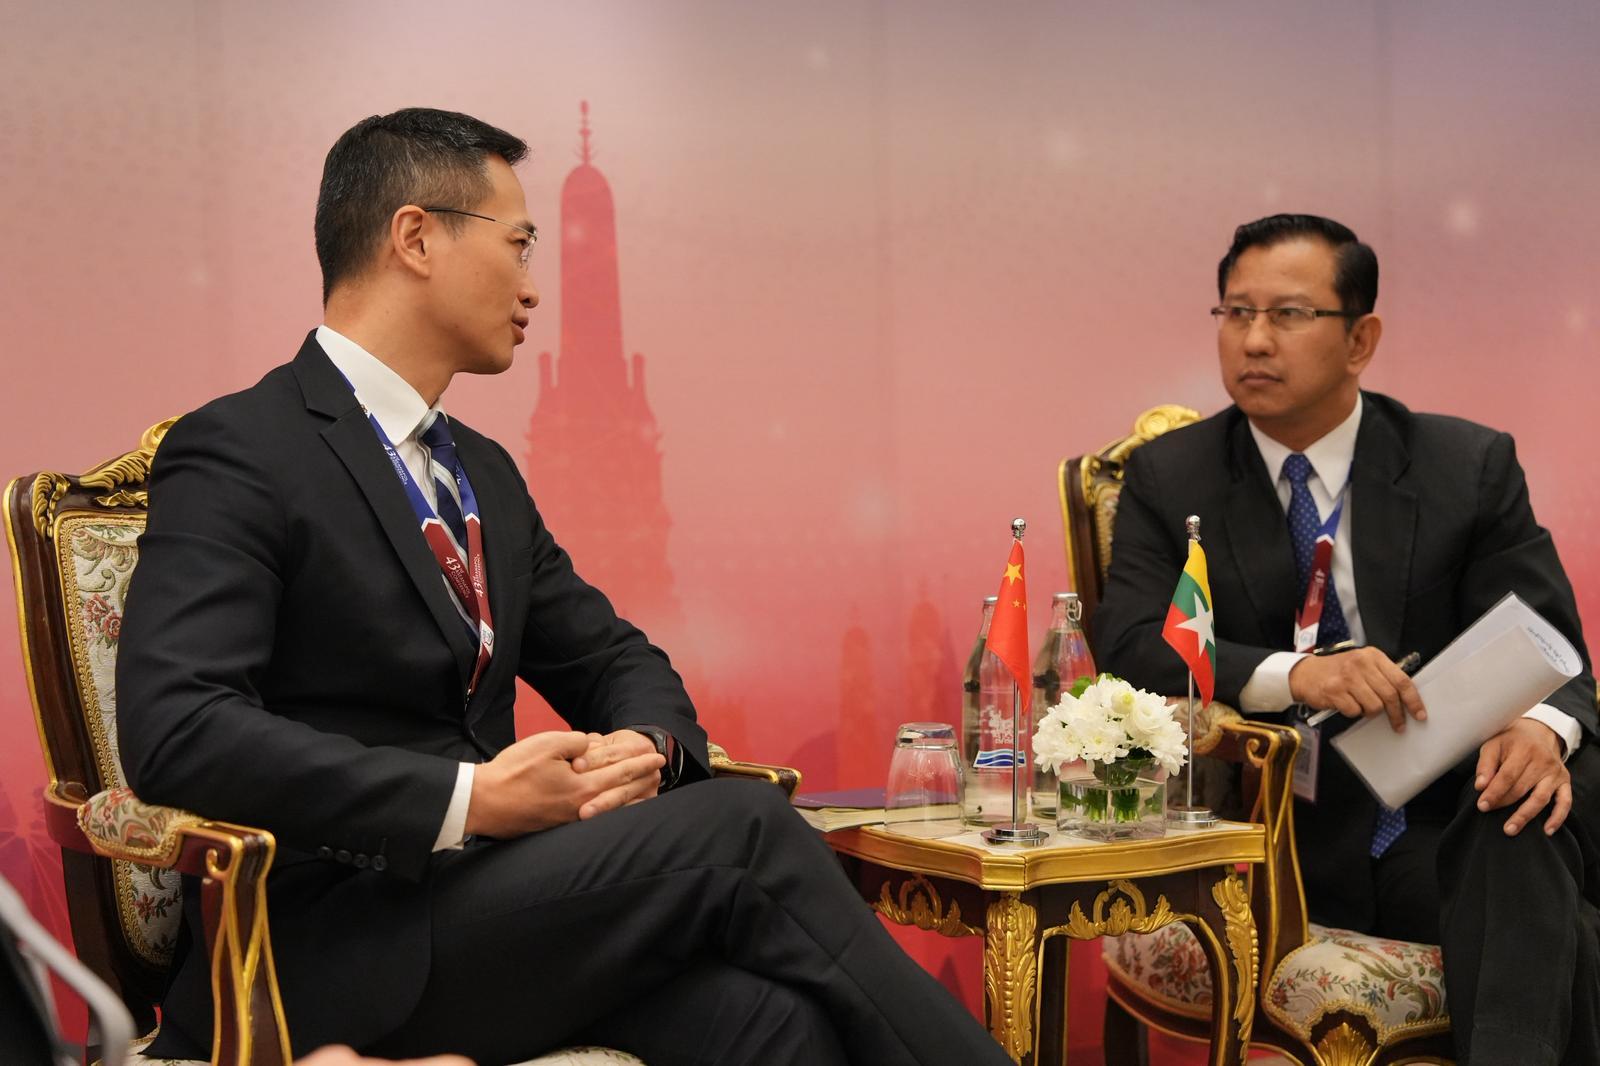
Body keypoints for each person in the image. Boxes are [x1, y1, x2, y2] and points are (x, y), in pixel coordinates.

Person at [116, 107, 1009, 1066]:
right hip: (335, 941)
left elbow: (616, 655)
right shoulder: (242, 448)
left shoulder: (483, 472)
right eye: (518, 244)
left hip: (500, 916)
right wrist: (467, 797)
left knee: (774, 1026)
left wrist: (649, 749)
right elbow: (177, 727)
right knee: (743, 830)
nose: (534, 286)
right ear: (416, 237)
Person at [1092, 213, 1600, 1065]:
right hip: (1330, 833)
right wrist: (1298, 675)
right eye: (1234, 313)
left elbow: (1552, 642)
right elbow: (1135, 644)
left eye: (1288, 315)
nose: (1253, 340)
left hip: (1479, 794)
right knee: (1532, 876)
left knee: (1516, 808)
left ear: (1360, 338)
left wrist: (1539, 729)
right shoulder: (1171, 475)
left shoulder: (1463, 466)